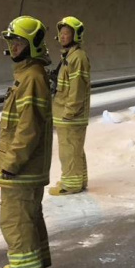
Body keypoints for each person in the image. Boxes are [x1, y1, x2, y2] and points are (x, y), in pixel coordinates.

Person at [0, 16, 53, 268]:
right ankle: (31, 266)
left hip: (22, 167)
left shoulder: (32, 78)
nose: (14, 47)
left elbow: (28, 129)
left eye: (19, 42)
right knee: (28, 216)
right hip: (26, 166)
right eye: (11, 42)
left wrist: (10, 164)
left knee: (15, 220)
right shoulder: (28, 76)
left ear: (33, 45)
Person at [49, 16, 91, 196]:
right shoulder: (70, 56)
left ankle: (70, 185)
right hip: (66, 113)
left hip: (70, 115)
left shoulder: (77, 58)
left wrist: (69, 112)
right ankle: (77, 180)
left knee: (69, 151)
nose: (63, 36)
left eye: (67, 33)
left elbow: (77, 89)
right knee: (75, 149)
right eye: (61, 33)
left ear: (76, 36)